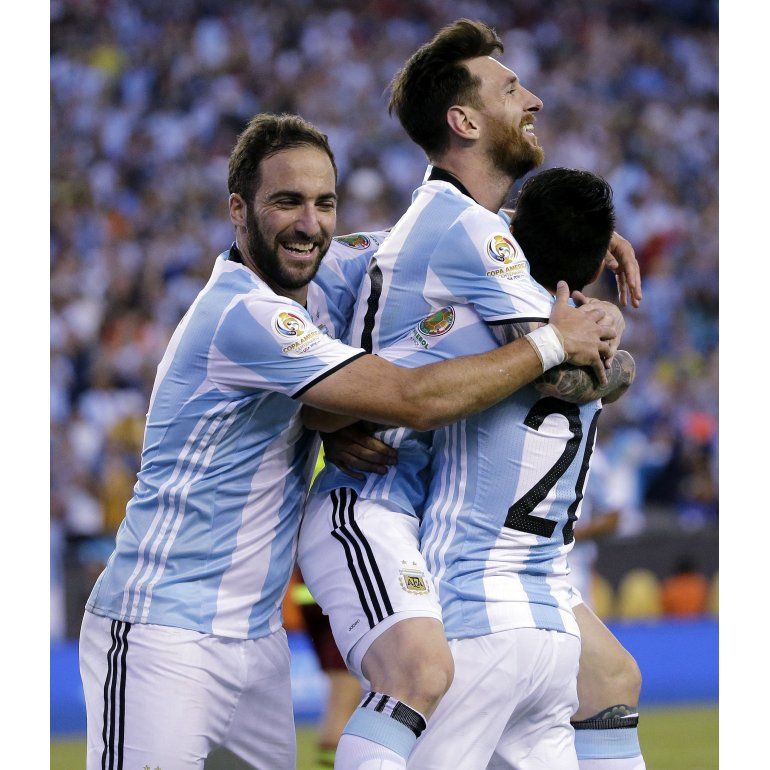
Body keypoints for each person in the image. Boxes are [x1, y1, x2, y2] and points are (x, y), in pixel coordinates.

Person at [78, 112, 616, 770]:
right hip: (163, 629)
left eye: (324, 203)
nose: (309, 224)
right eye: (286, 202)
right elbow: (412, 399)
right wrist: (554, 342)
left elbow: (429, 237)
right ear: (238, 211)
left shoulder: (326, 269)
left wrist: (576, 238)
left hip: (256, 641)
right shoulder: (245, 313)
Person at [299, 20, 645, 770]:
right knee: (419, 676)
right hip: (376, 505)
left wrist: (569, 246)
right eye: (511, 89)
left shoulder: (464, 226)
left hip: (434, 517)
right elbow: (564, 371)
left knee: (609, 678)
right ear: (464, 120)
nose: (535, 100)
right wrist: (598, 329)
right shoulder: (469, 233)